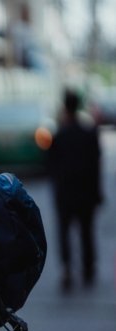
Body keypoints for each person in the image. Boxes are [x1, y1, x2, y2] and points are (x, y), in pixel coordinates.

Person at [47, 89, 103, 291]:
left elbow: (50, 167)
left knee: (64, 232)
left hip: (65, 194)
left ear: (64, 107)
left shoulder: (59, 135)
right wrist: (98, 193)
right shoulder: (89, 134)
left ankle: (67, 269)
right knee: (87, 232)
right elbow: (96, 167)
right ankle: (88, 269)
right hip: (86, 193)